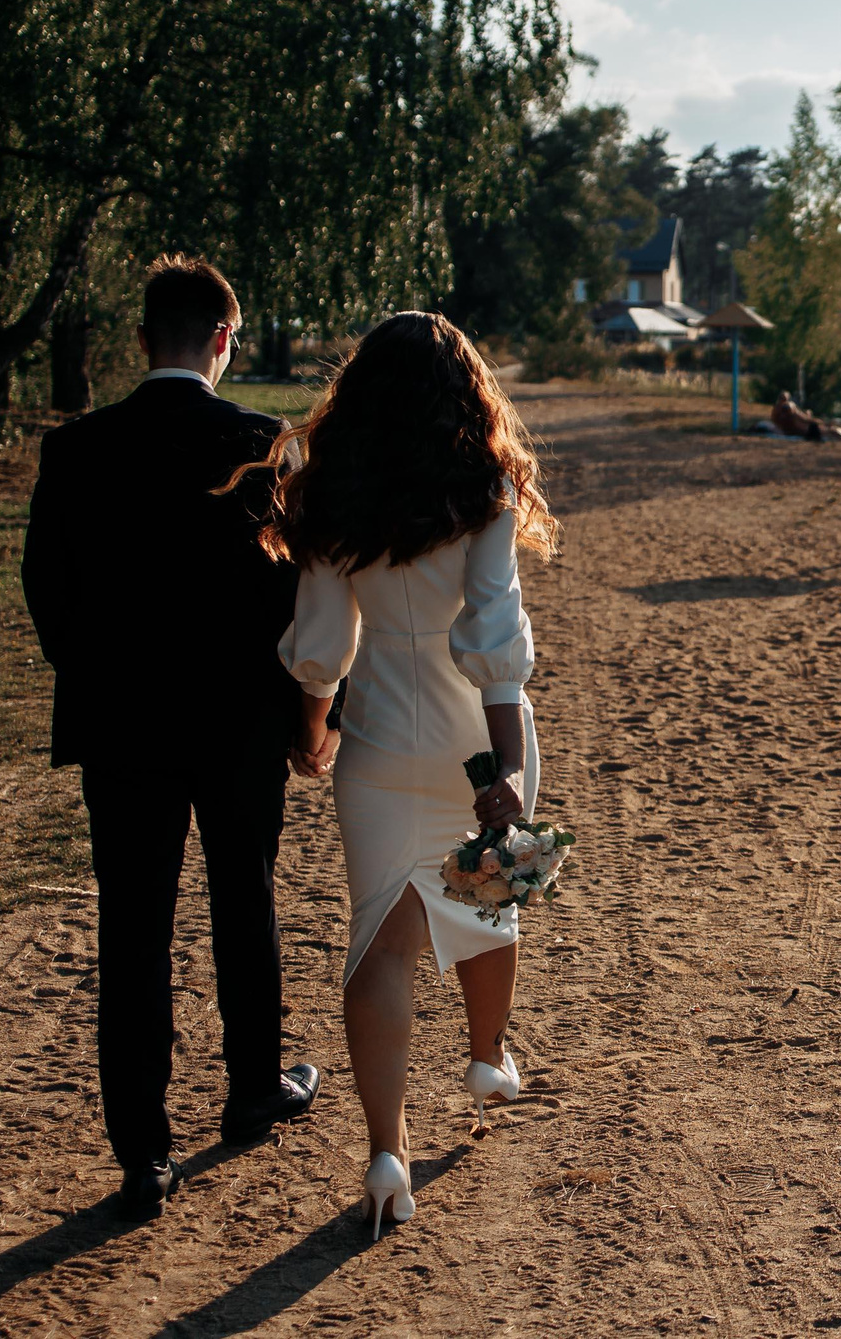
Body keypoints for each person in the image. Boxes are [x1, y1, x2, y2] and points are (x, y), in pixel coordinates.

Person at [21, 254, 321, 1217]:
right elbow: (300, 594)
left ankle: (142, 1153)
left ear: (143, 338)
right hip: (241, 720)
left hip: (121, 722)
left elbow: (47, 590)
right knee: (245, 898)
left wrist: (95, 672)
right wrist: (305, 713)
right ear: (223, 339)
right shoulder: (267, 445)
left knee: (133, 926)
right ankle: (252, 1088)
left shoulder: (75, 448)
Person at [248, 312, 557, 1238]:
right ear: (465, 394)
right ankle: (487, 1054)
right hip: (473, 733)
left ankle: (387, 1152)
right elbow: (494, 630)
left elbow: (323, 642)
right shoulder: (484, 486)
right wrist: (507, 767)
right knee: (487, 898)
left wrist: (313, 729)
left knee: (382, 940)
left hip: (378, 740)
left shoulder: (331, 486)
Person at [768, 389, 841, 441]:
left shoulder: (776, 411)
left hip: (791, 432)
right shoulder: (789, 407)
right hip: (806, 432)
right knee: (832, 430)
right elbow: (804, 419)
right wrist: (823, 422)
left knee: (829, 430)